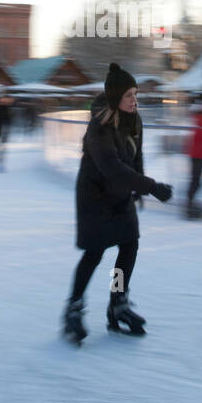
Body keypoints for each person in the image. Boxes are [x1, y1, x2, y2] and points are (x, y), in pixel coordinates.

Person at [63, 63, 174, 344]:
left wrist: (137, 190)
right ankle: (73, 308)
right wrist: (152, 187)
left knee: (128, 245)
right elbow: (112, 167)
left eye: (135, 94)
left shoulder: (134, 120)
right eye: (128, 95)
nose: (134, 100)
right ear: (114, 98)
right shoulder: (98, 129)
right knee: (95, 252)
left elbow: (136, 157)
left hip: (122, 193)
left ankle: (118, 302)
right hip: (95, 197)